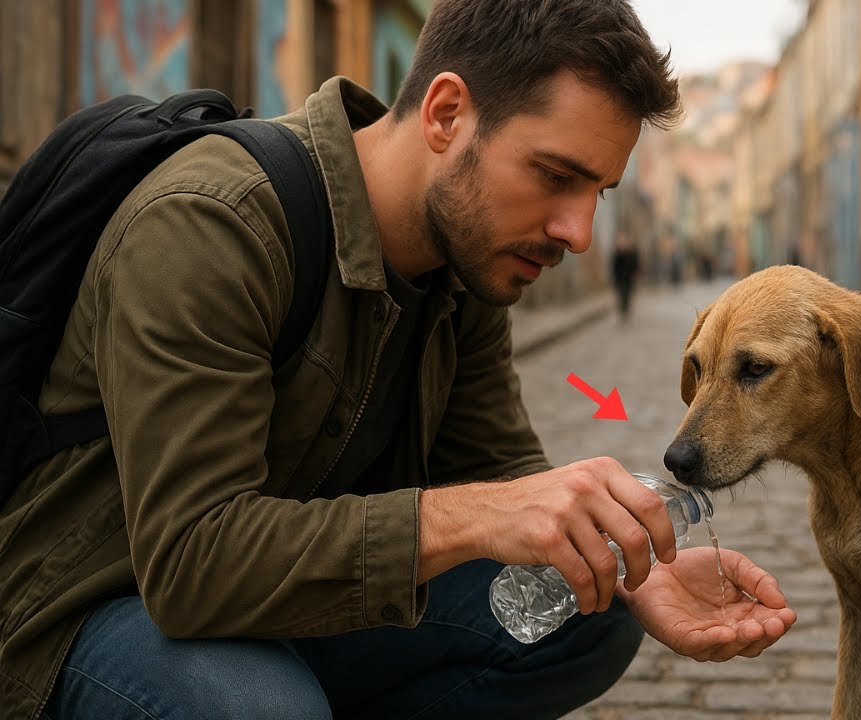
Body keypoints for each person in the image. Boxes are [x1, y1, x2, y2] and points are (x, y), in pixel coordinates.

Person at [0, 2, 797, 719]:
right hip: (101, 606)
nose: (578, 232)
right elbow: (191, 565)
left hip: (280, 597)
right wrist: (474, 517)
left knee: (583, 623)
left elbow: (497, 466)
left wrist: (628, 568)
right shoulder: (215, 224)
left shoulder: (470, 262)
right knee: (257, 708)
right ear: (447, 113)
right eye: (555, 176)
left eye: (599, 192)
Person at [610, 233, 641, 320]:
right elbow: (613, 266)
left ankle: (626, 308)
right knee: (620, 293)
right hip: (619, 277)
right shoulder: (617, 253)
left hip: (629, 278)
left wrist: (636, 272)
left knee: (628, 293)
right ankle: (622, 308)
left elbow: (636, 264)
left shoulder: (631, 253)